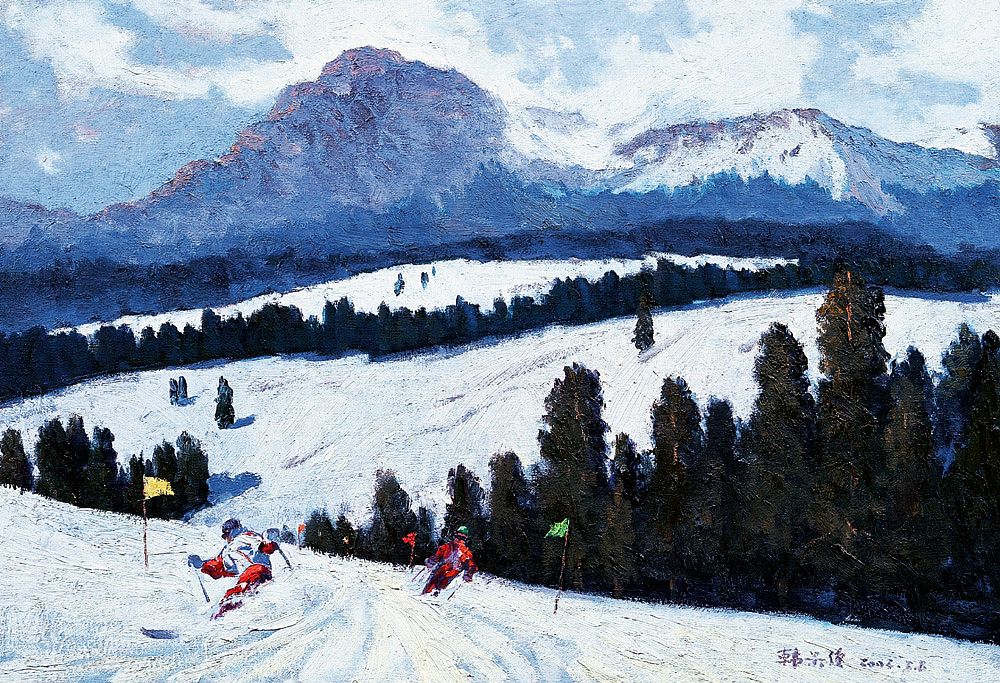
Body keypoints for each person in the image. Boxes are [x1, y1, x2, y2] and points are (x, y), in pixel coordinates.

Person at [188, 518, 278, 608]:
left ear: (230, 531)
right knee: (227, 599)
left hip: (257, 571)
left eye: (225, 535)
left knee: (235, 596)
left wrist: (269, 542)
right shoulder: (227, 550)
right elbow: (219, 566)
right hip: (246, 577)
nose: (225, 538)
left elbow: (261, 546)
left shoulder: (246, 536)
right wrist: (202, 564)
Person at [422, 526, 477, 596]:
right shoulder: (464, 551)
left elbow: (436, 556)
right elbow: (471, 565)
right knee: (441, 582)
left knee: (435, 582)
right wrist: (468, 575)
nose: (458, 539)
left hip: (447, 569)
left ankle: (429, 594)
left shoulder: (450, 547)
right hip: (450, 570)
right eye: (458, 537)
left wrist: (430, 562)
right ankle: (432, 594)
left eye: (460, 537)